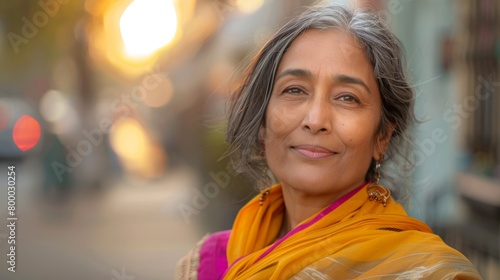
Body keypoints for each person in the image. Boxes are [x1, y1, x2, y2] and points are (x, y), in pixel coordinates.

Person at [176, 3, 481, 280]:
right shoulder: (211, 262)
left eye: (347, 97)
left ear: (382, 136)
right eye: (294, 90)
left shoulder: (424, 271)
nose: (316, 119)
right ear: (263, 123)